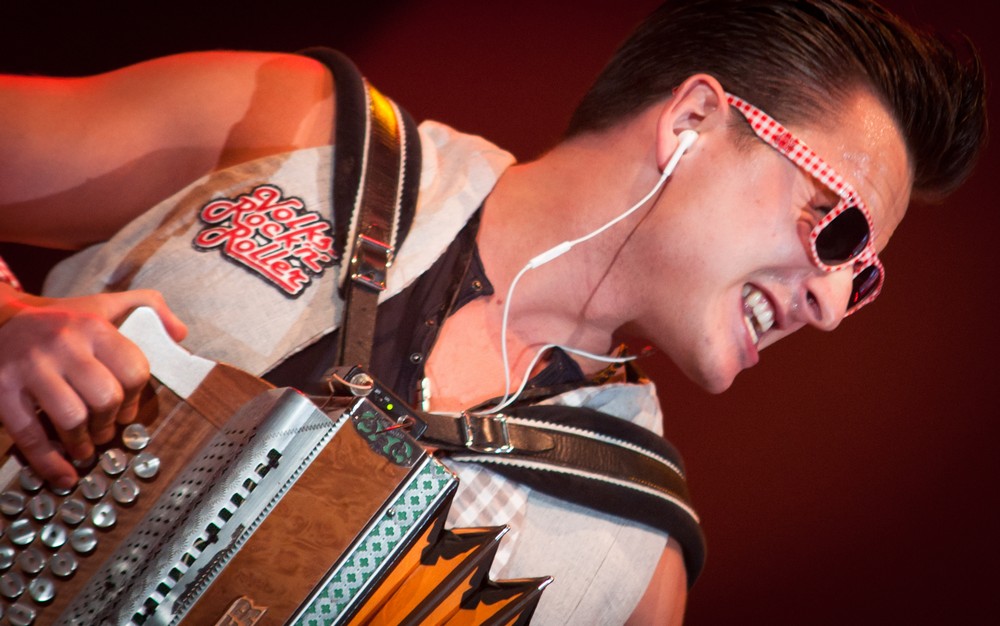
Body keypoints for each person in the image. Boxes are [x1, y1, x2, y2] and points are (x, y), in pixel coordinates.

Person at [0, 0, 987, 623]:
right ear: (692, 121)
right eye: (837, 229)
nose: (830, 304)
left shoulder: (637, 570)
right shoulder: (296, 127)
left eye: (863, 277)